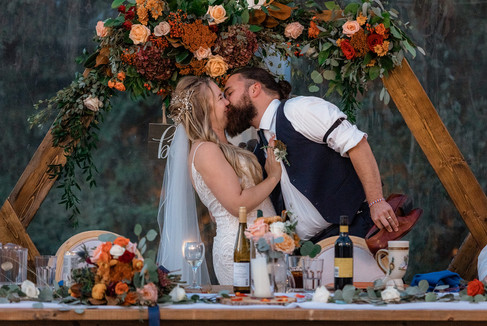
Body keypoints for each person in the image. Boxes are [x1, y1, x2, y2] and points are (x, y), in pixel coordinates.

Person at [224, 67, 399, 243]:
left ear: (254, 89)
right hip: (313, 248)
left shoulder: (298, 110)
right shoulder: (260, 144)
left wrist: (376, 201)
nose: (226, 102)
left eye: (229, 93)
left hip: (355, 230)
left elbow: (356, 144)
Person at [157, 76, 280, 286]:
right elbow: (238, 204)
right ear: (206, 109)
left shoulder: (220, 147)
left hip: (260, 246)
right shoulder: (206, 151)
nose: (227, 103)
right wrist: (274, 176)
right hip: (240, 251)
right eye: (221, 98)